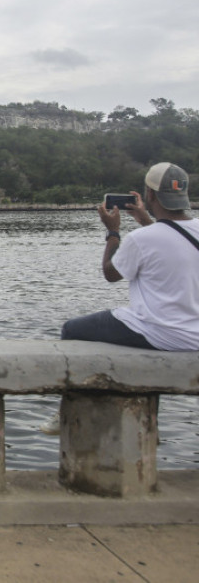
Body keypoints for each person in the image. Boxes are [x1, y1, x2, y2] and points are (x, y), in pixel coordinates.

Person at [43, 162, 199, 433]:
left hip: (161, 333)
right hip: (195, 335)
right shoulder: (170, 231)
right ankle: (152, 427)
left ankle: (65, 413)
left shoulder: (142, 239)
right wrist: (145, 220)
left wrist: (113, 231)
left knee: (72, 329)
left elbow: (111, 273)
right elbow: (171, 242)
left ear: (149, 195)